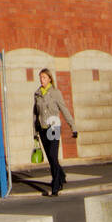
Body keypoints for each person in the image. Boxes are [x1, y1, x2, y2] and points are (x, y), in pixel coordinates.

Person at [33, 67, 77, 196]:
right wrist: (34, 132)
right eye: (40, 77)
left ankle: (56, 184)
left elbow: (64, 110)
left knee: (53, 155)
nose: (42, 80)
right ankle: (61, 174)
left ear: (50, 79)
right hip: (42, 129)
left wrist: (73, 126)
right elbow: (35, 114)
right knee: (51, 158)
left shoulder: (56, 93)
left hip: (53, 127)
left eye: (44, 77)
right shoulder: (37, 94)